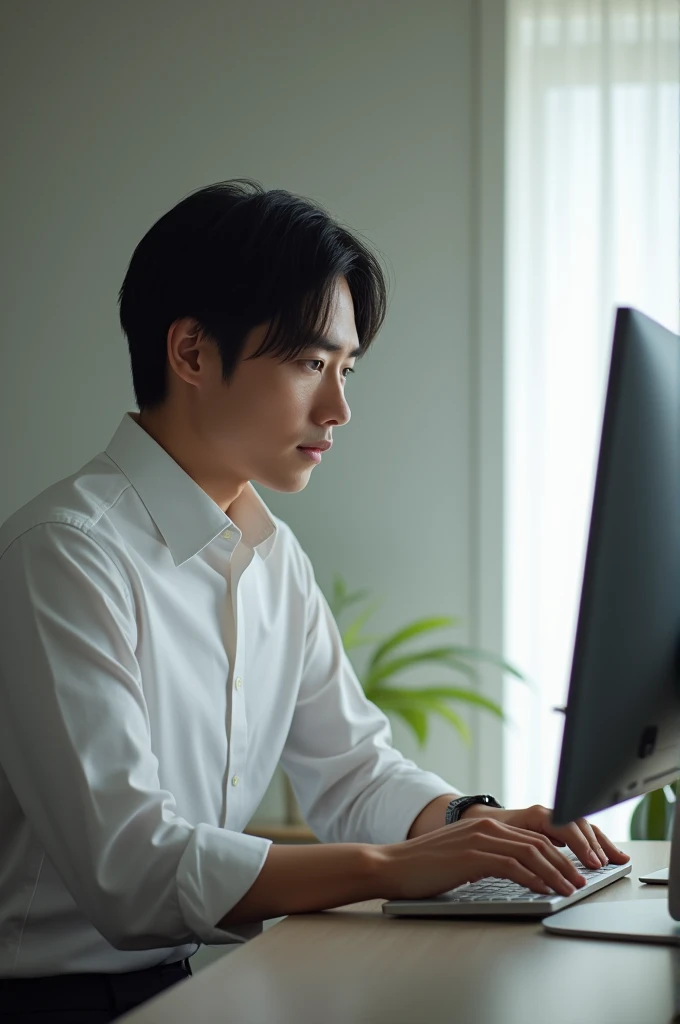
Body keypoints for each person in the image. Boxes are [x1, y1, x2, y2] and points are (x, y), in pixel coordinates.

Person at [0, 179, 629, 1022]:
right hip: (56, 1003)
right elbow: (132, 873)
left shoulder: (269, 555)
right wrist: (391, 868)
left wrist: (475, 825)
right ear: (190, 353)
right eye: (309, 363)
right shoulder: (65, 556)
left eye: (345, 368)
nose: (338, 408)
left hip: (195, 979)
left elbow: (353, 769)